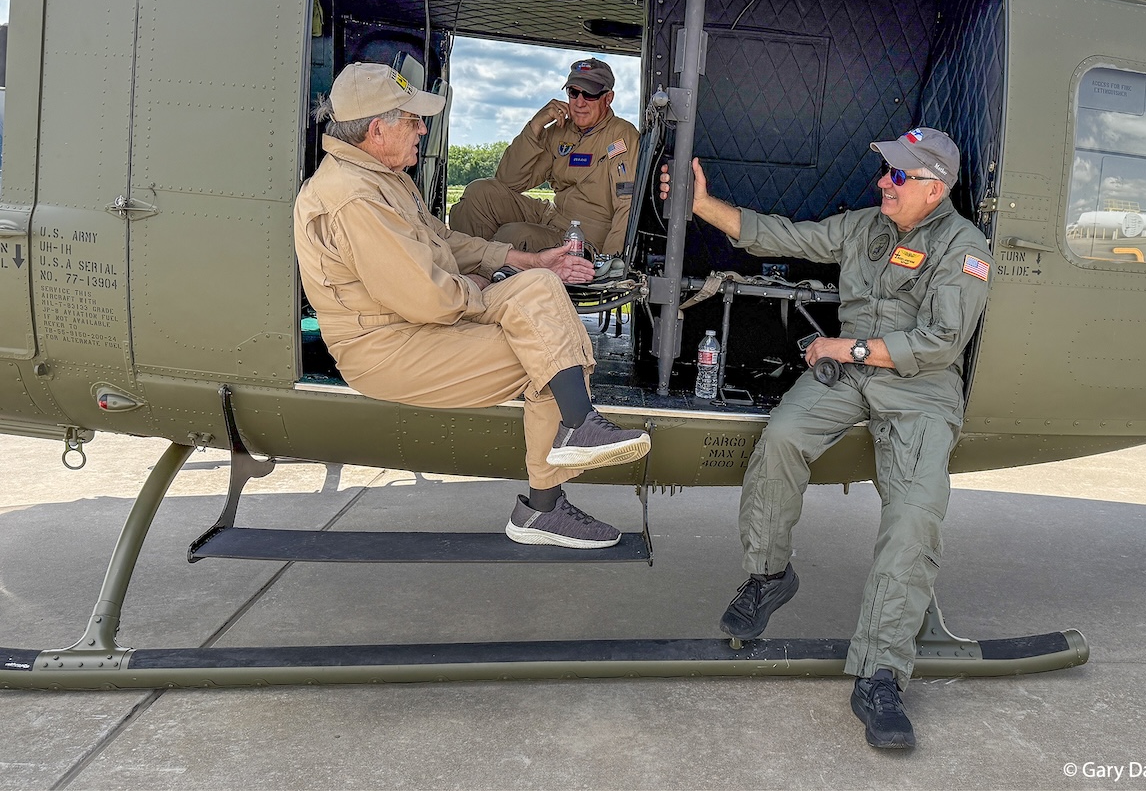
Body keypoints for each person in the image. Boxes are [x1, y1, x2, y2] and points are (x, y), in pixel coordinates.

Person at [661, 128, 992, 748]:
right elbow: (790, 234)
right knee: (781, 437)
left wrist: (844, 346)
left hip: (918, 386)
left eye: (898, 176)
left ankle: (881, 674)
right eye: (886, 172)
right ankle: (768, 574)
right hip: (847, 377)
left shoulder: (964, 247)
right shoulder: (868, 225)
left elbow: (940, 343)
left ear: (934, 187)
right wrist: (704, 206)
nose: (883, 183)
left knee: (914, 516)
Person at [294, 62, 651, 550]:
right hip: (389, 345)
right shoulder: (355, 198)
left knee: (543, 289)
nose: (423, 128)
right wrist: (492, 283)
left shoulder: (381, 176)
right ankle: (545, 505)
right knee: (549, 349)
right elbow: (428, 298)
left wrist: (524, 262)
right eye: (412, 120)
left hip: (414, 323)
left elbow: (441, 238)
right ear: (377, 130)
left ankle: (576, 425)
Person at [448, 58, 640, 264]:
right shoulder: (560, 131)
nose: (580, 102)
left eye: (590, 94)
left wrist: (610, 263)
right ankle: (467, 271)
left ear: (608, 98)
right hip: (553, 216)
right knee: (479, 194)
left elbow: (627, 207)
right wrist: (535, 126)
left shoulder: (621, 135)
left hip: (586, 237)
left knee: (516, 236)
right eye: (573, 93)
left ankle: (487, 274)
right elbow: (509, 181)